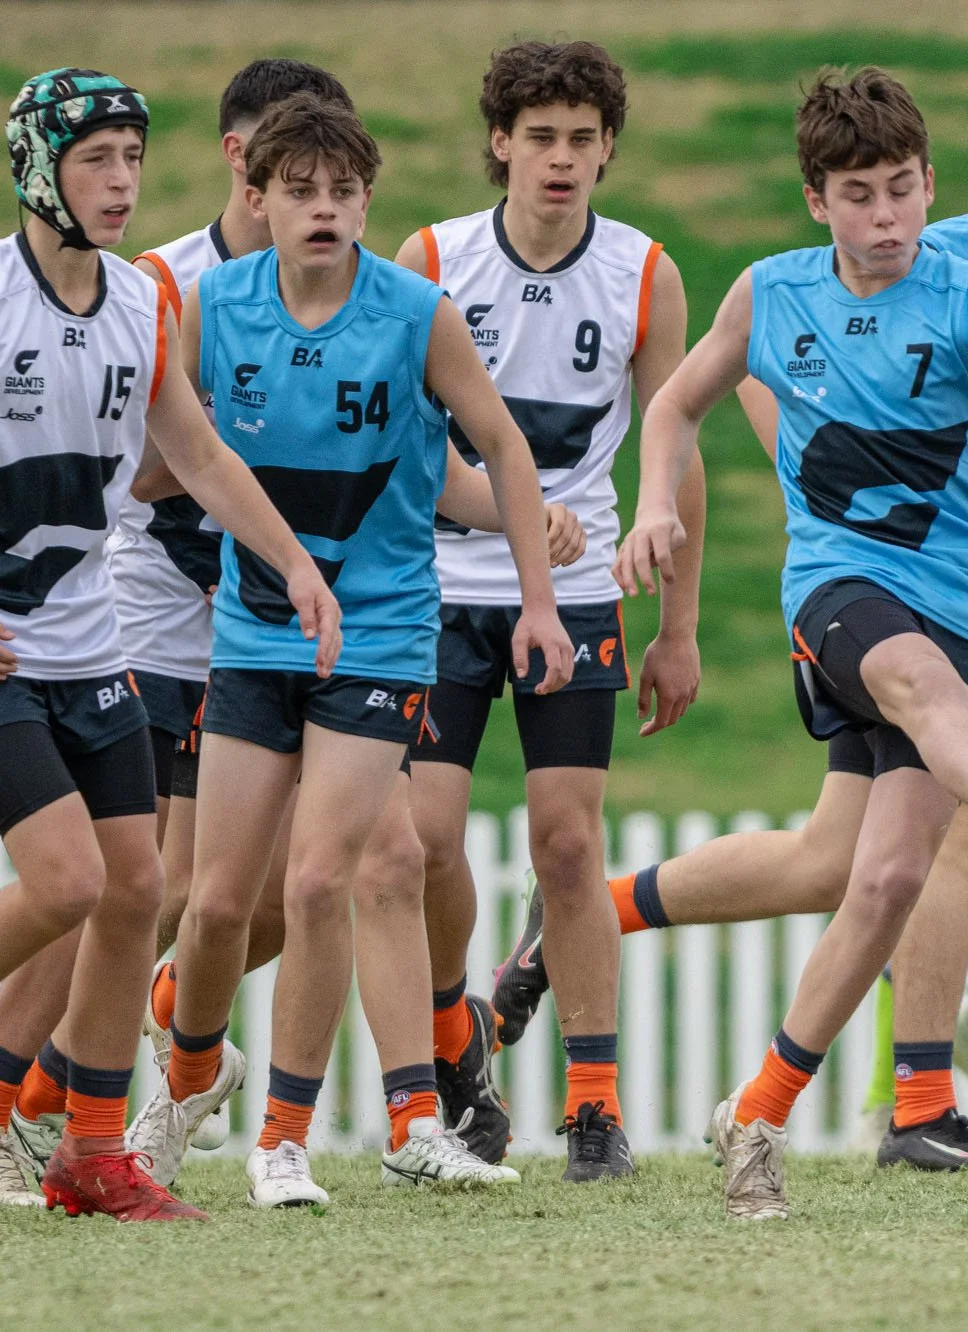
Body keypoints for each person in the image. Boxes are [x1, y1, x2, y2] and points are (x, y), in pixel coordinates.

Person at [497, 75, 968, 1167]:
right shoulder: (875, 269)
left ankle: (603, 938)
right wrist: (799, 503)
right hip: (853, 587)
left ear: (925, 180)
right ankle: (927, 1086)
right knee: (960, 810)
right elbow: (738, 383)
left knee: (849, 871)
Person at [130, 91, 567, 1206]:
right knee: (216, 907)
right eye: (300, 192)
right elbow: (152, 460)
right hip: (253, 635)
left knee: (324, 877)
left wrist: (538, 602)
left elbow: (504, 449)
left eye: (343, 191)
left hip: (379, 638)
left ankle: (284, 1141)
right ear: (257, 199)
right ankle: (189, 1080)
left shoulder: (417, 315)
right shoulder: (209, 308)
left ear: (368, 201)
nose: (323, 209)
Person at [0, 56, 356, 1207]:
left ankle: (94, 1155)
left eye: (134, 159)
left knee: (132, 890)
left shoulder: (144, 303)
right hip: (7, 655)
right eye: (96, 160)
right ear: (36, 170)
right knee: (67, 883)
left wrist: (293, 564)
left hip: (91, 649)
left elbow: (198, 456)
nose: (121, 182)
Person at [395, 39, 701, 1180]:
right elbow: (403, 451)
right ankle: (454, 1044)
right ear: (500, 142)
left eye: (581, 138)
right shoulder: (431, 259)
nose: (561, 159)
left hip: (575, 599)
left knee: (568, 844)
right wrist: (507, 515)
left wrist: (678, 627)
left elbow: (676, 452)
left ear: (608, 147)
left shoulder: (643, 272)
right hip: (440, 590)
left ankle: (593, 1107)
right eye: (539, 138)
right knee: (424, 840)